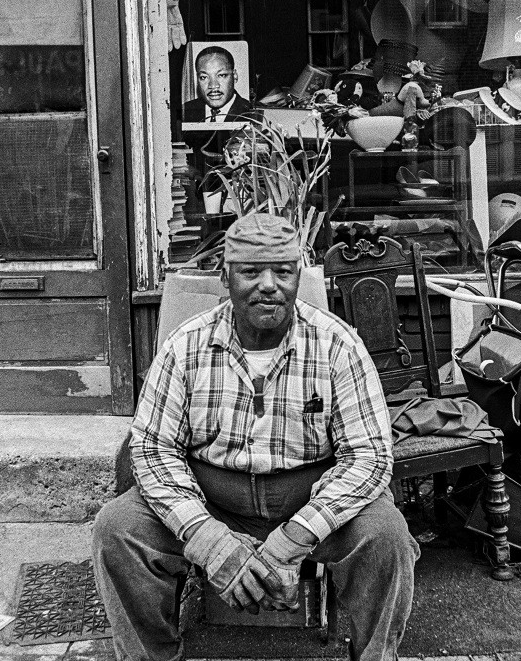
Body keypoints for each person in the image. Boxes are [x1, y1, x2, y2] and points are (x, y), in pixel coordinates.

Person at [93, 213, 420, 661]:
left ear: (297, 275)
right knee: (118, 530)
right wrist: (208, 540)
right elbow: (152, 447)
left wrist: (295, 538)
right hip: (212, 496)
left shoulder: (337, 345)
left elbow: (369, 458)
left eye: (283, 271)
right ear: (225, 277)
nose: (269, 285)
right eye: (251, 272)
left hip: (307, 498)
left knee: (385, 535)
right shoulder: (185, 345)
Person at [183, 45, 252, 122]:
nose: (213, 86)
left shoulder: (252, 113)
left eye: (221, 75)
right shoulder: (185, 111)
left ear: (235, 76)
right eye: (204, 77)